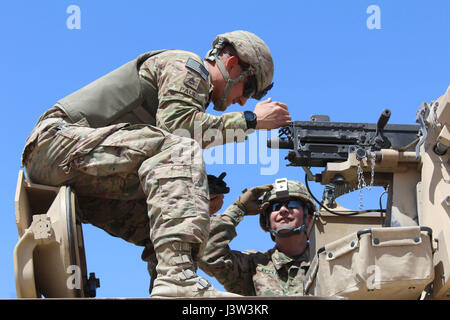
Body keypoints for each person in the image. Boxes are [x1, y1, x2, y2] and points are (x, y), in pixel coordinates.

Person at [21, 30, 290, 298]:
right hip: (54, 145)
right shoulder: (188, 67)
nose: (243, 100)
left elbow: (161, 153)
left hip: (76, 169)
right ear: (231, 65)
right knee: (181, 148)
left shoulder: (196, 93)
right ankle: (178, 281)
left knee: (171, 213)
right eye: (249, 89)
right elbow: (179, 129)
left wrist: (195, 190)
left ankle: (169, 290)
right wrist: (250, 120)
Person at [198, 178, 317, 296]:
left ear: (309, 218)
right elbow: (207, 255)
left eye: (292, 204)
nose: (283, 210)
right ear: (267, 220)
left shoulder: (325, 264)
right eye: (275, 207)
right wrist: (239, 208)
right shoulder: (253, 267)